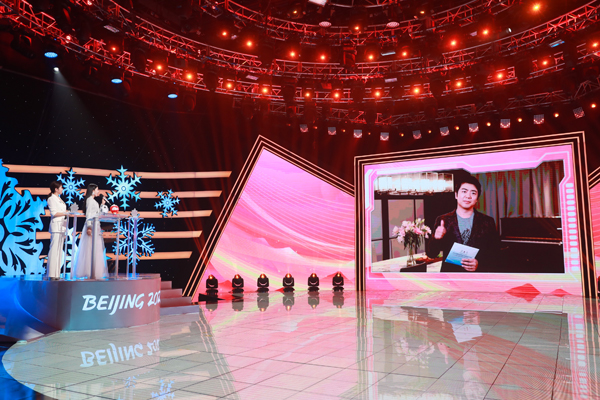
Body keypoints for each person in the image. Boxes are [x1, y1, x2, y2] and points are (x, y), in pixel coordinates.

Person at [427, 174, 500, 272]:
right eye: (464, 191)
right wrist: (436, 238)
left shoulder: (487, 222)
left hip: (477, 277)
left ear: (477, 198)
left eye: (473, 193)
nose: (468, 196)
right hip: (450, 276)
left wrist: (480, 264)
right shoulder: (443, 220)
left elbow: (495, 254)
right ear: (456, 195)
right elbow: (431, 254)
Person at [72, 183, 108, 279]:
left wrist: (102, 205)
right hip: (92, 226)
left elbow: (97, 214)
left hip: (96, 226)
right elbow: (89, 214)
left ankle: (95, 271)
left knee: (95, 248)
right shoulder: (89, 200)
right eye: (97, 189)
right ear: (92, 190)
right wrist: (89, 226)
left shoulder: (93, 201)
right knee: (89, 249)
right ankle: (89, 271)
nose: (98, 191)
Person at [47, 181, 68, 280]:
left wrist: (68, 213)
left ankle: (57, 273)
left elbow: (62, 212)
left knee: (59, 251)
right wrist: (66, 213)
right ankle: (51, 274)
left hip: (62, 227)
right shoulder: (51, 199)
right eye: (61, 187)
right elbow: (54, 213)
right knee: (54, 250)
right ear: (56, 189)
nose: (62, 189)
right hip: (56, 227)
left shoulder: (59, 199)